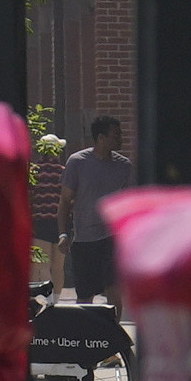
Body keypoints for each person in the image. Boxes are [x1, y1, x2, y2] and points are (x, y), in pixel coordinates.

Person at [58, 115, 134, 300]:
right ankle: (87, 329)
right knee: (85, 295)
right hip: (84, 239)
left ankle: (112, 329)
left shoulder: (124, 166)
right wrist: (63, 234)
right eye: (116, 135)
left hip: (111, 238)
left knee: (114, 291)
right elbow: (65, 201)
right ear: (101, 138)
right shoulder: (77, 162)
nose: (121, 139)